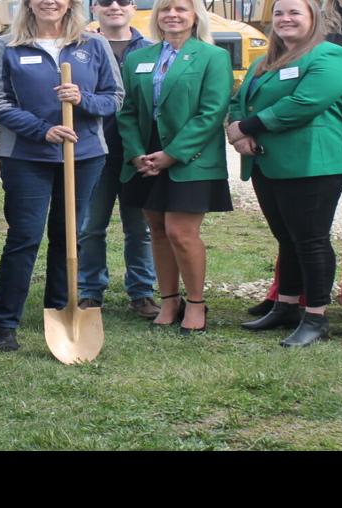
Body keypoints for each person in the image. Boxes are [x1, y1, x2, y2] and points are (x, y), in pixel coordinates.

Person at [0, 0, 122, 353]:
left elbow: (115, 97)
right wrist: (42, 130)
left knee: (68, 235)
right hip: (26, 156)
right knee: (25, 236)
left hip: (85, 154)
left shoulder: (94, 44)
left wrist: (83, 99)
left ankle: (59, 309)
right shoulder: (7, 46)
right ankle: (4, 322)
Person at [247, 0, 342, 324]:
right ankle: (287, 295)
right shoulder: (313, 19)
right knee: (297, 224)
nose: (286, 17)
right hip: (309, 130)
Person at [230, 0, 342, 348]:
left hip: (313, 163)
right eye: (279, 13)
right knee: (287, 238)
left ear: (314, 18)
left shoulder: (331, 56)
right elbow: (239, 101)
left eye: (294, 12)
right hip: (268, 162)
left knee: (311, 240)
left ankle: (316, 316)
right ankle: (285, 306)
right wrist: (238, 130)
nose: (285, 19)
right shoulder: (264, 62)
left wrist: (247, 126)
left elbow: (305, 103)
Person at [117, 0, 232, 335]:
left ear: (195, 16)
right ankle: (169, 301)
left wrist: (173, 154)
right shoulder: (138, 58)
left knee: (181, 232)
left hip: (190, 157)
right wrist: (136, 153)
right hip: (146, 155)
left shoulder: (213, 57)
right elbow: (127, 110)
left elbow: (212, 112)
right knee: (157, 229)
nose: (172, 14)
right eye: (165, 9)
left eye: (181, 8)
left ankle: (195, 303)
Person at [77, 0, 157, 320]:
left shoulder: (152, 50)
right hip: (95, 151)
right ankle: (89, 291)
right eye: (105, 0)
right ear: (93, 8)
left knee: (140, 229)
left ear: (133, 6)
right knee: (91, 227)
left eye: (123, 0)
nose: (114, 6)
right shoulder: (81, 48)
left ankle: (141, 292)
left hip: (139, 154)